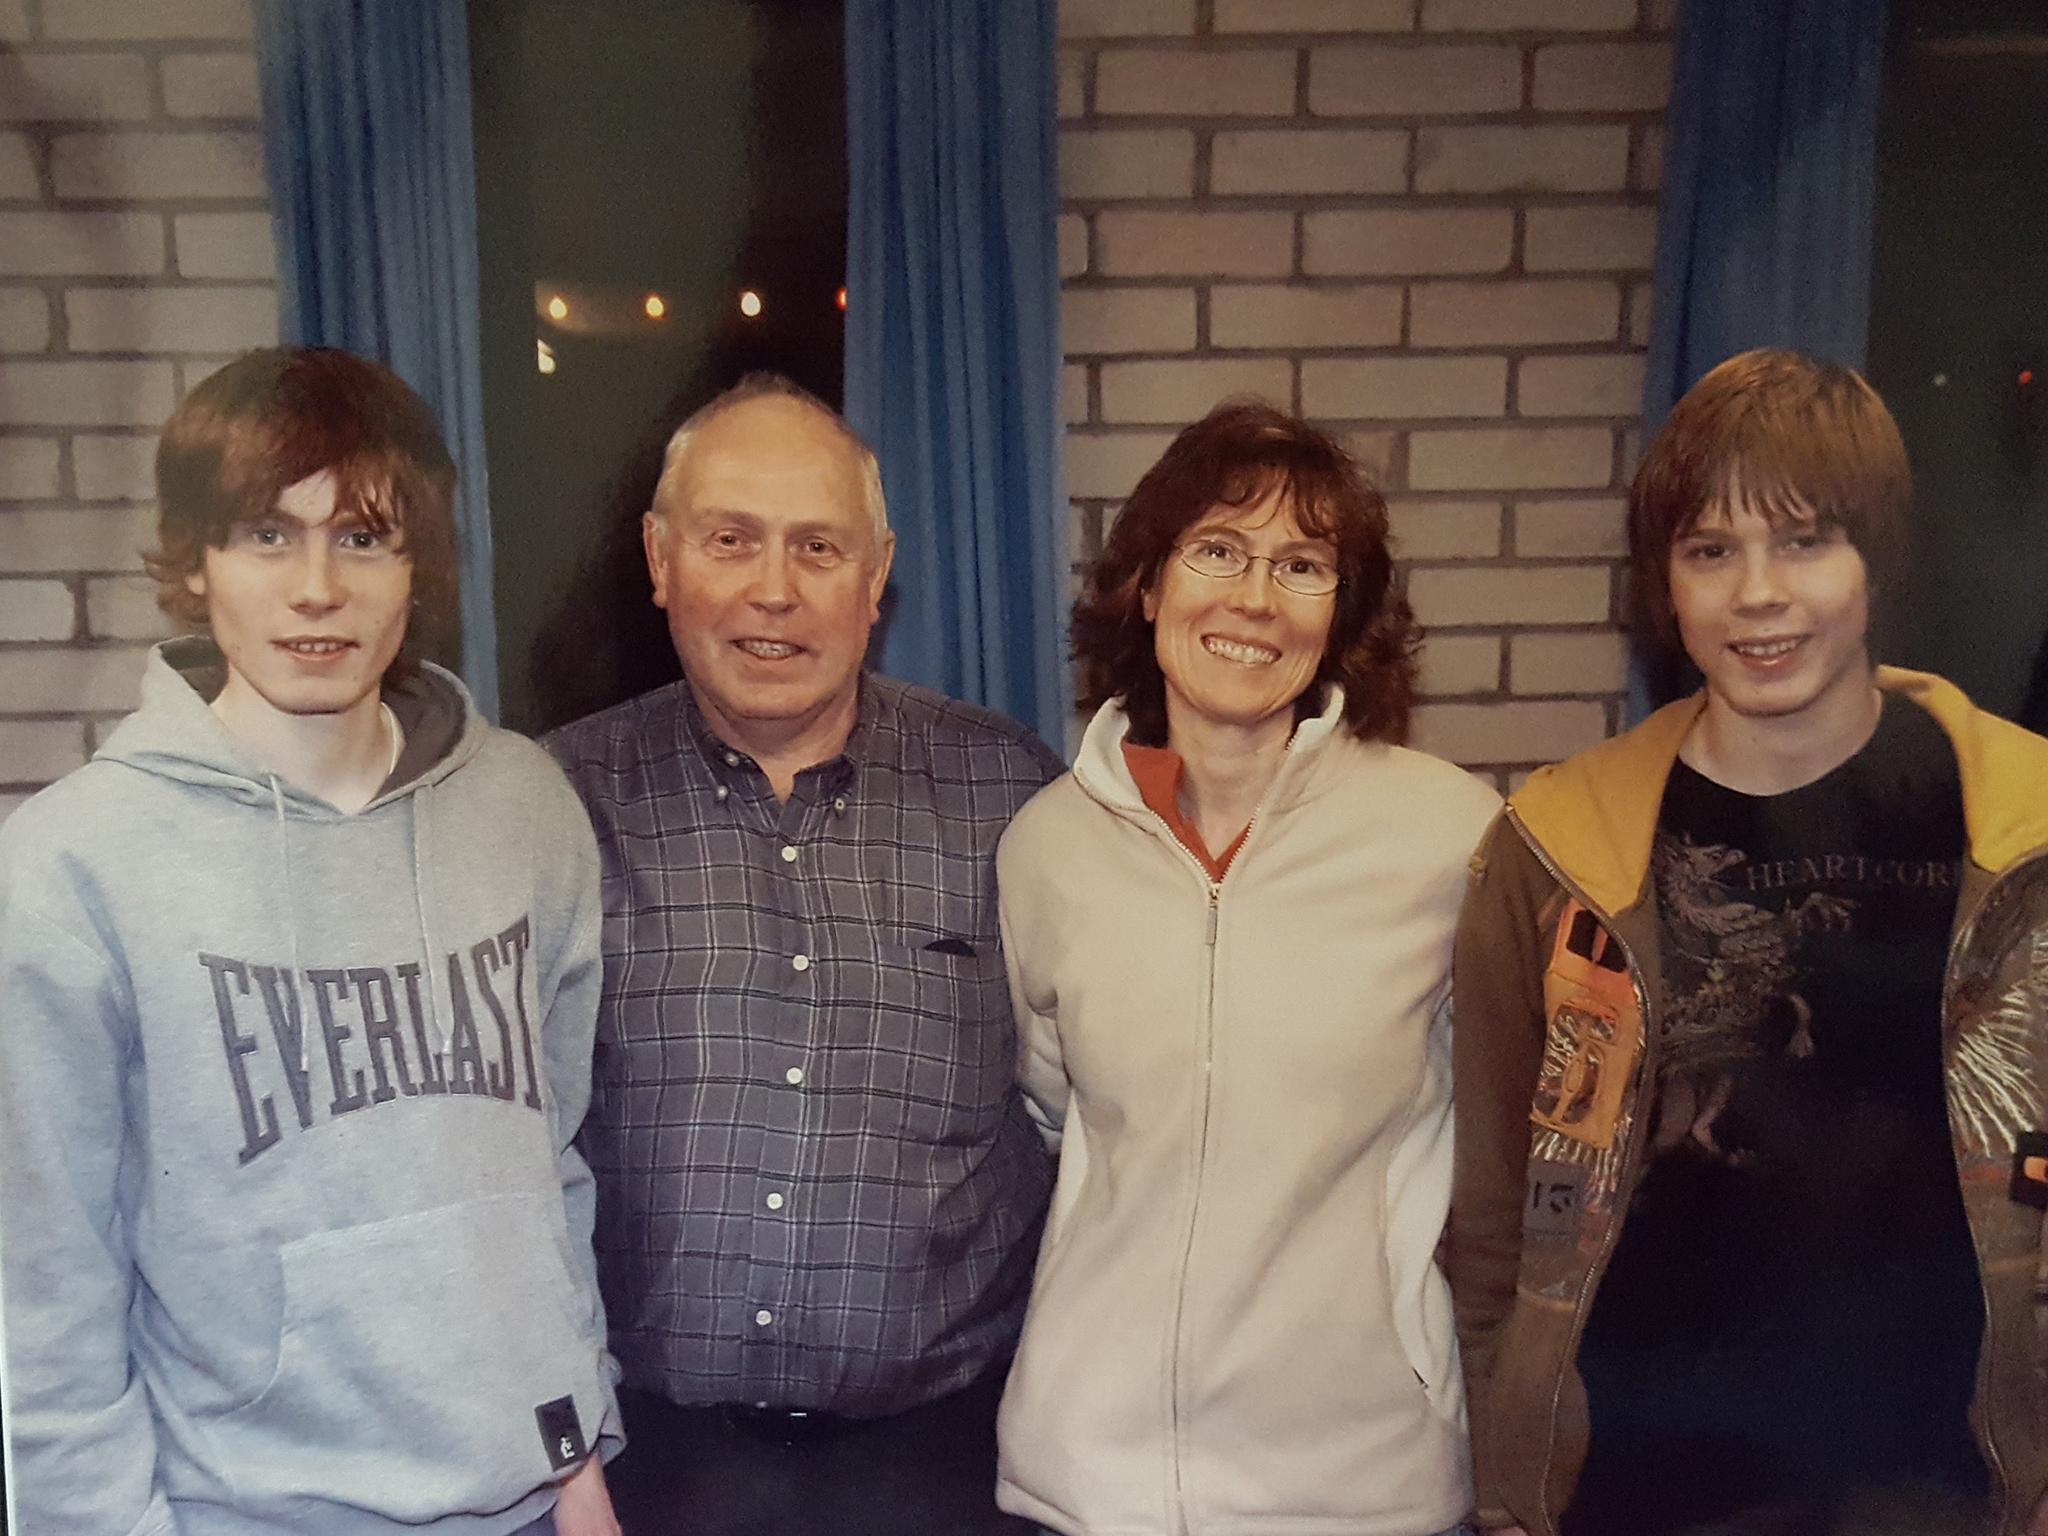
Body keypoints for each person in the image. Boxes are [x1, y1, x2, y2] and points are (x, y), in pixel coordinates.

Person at [0, 346, 622, 1535]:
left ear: (416, 569)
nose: (316, 588)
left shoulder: (525, 808)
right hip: (245, 1512)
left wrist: (577, 1451)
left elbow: (548, 1172)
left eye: (364, 538)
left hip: (528, 1499)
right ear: (195, 564)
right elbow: (47, 1295)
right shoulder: (72, 865)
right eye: (266, 537)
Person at [1448, 349, 2048, 1536]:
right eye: (1709, 551)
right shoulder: (1552, 845)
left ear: (1874, 561)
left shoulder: (2021, 828)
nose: (1755, 593)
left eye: (1802, 540)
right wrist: (1506, 1445)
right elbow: (1490, 1218)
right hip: (1634, 1479)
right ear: (1663, 586)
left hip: (1935, 1481)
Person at [545, 373, 1062, 1535]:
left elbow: (1089, 1106)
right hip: (646, 1467)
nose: (772, 591)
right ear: (659, 559)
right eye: (730, 540)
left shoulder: (1009, 793)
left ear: (875, 578)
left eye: (819, 548)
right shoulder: (551, 805)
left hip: (939, 1465)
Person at [993, 401, 1500, 1535]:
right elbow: (1054, 1119)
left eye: (1301, 564)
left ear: (1344, 610)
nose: (1253, 599)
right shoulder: (1045, 849)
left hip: (1361, 1482)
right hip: (1092, 1483)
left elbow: (1498, 1134)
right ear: (1148, 584)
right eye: (1215, 550)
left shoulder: (1450, 837)